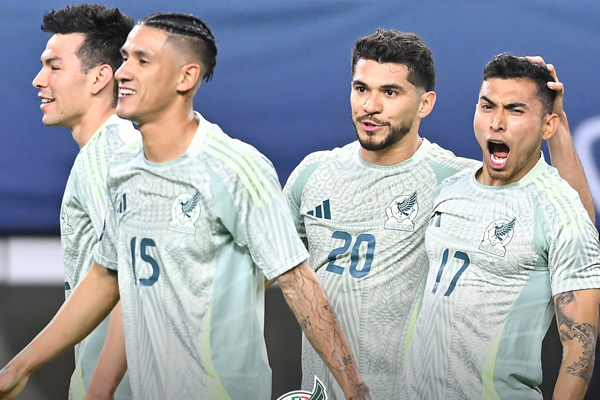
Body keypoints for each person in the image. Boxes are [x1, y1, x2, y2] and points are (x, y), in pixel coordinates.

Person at [0, 13, 369, 400]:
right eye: (125, 58)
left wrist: (353, 388)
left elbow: (294, 279)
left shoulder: (203, 163)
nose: (124, 73)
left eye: (142, 61)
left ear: (186, 77)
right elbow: (113, 278)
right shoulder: (128, 166)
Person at [283, 30, 595, 399]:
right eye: (361, 88)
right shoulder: (313, 173)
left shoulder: (452, 178)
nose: (370, 105)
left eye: (390, 92)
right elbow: (264, 269)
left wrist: (555, 126)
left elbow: (574, 222)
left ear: (425, 103)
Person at [401, 54, 600, 400]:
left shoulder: (559, 212)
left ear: (547, 126)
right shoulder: (448, 184)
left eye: (515, 110)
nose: (497, 122)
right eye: (487, 106)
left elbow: (578, 353)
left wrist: (560, 126)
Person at [31, 5, 138, 400]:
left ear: (99, 77)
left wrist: (99, 387)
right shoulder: (121, 146)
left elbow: (128, 277)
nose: (39, 80)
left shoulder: (107, 152)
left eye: (54, 66)